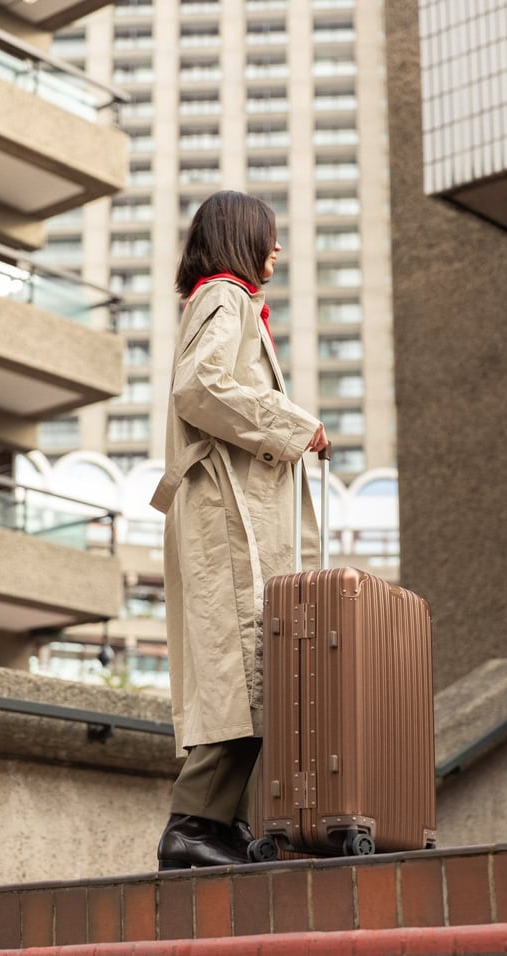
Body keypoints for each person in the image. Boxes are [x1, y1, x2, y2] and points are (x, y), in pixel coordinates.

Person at [150, 190, 328, 869]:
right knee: (243, 670)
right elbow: (200, 388)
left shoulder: (225, 302)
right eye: (268, 235)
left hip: (230, 516)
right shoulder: (224, 297)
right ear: (240, 237)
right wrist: (295, 425)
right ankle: (193, 825)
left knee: (252, 668)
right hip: (227, 520)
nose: (275, 249)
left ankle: (228, 828)